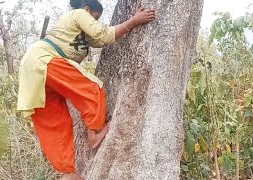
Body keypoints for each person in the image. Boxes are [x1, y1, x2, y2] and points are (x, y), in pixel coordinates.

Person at [17, 0, 155, 179]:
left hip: (31, 71)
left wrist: (127, 22)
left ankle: (68, 174)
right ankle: (94, 135)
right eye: (94, 18)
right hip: (44, 59)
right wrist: (134, 21)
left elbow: (101, 39)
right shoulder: (79, 14)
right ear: (87, 10)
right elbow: (105, 35)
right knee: (93, 88)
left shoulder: (81, 33)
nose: (94, 22)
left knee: (57, 124)